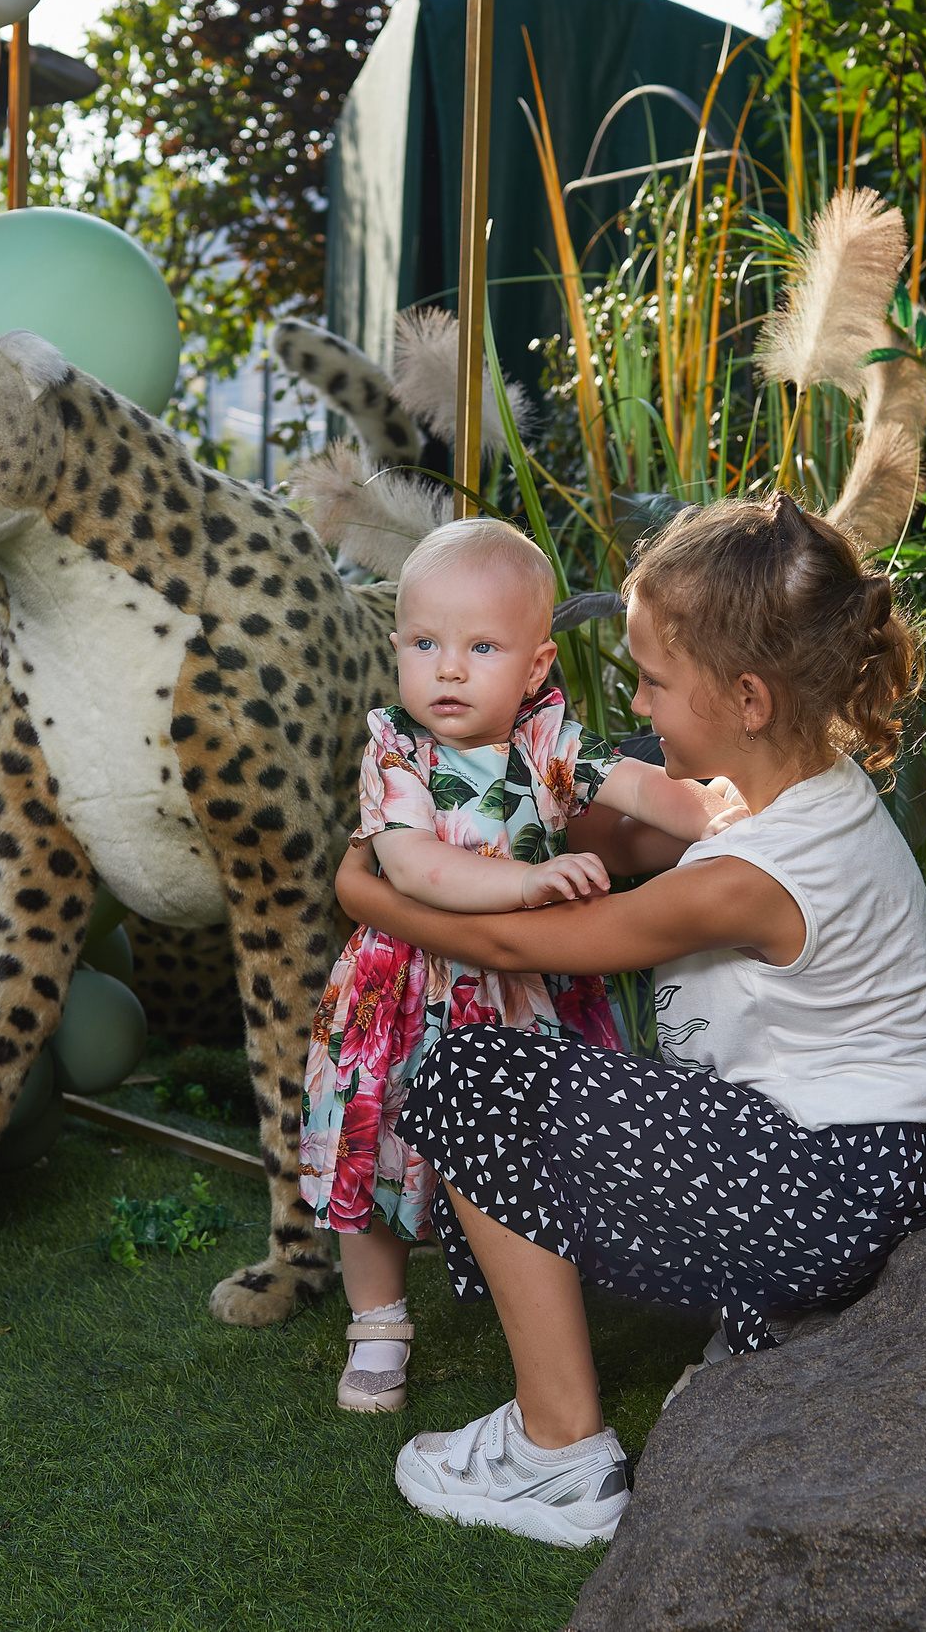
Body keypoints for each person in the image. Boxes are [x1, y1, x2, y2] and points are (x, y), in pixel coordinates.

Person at [334, 494, 926, 1548]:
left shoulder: (751, 877)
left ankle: (557, 1453)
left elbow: (521, 948)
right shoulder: (790, 793)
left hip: (823, 1187)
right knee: (603, 1083)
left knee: (472, 1078)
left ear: (748, 698)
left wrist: (367, 893)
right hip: (874, 1174)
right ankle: (778, 1330)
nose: (635, 703)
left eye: (652, 681)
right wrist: (501, 817)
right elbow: (613, 843)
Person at [303, 517, 744, 1416]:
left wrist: (716, 813)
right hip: (408, 989)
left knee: (533, 1149)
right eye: (425, 644)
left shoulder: (550, 741)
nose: (449, 669)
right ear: (397, 648)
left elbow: (637, 785)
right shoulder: (396, 749)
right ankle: (378, 1320)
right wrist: (528, 881)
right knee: (376, 1148)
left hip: (524, 991)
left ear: (537, 665)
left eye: (481, 647)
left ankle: (538, 1307)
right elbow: (412, 867)